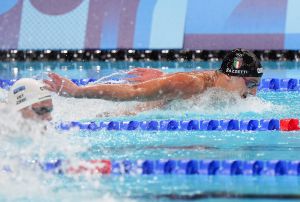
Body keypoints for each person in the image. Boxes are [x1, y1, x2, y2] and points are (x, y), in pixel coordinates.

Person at [44, 49, 263, 115]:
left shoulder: (218, 81)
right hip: (131, 113)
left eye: (256, 84)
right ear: (228, 76)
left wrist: (163, 78)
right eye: (250, 84)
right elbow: (133, 91)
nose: (253, 92)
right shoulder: (192, 84)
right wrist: (77, 91)